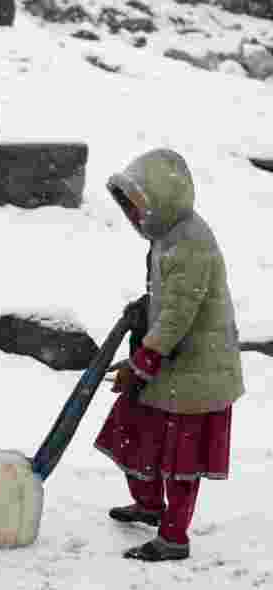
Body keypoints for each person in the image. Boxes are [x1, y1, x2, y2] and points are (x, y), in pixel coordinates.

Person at [95, 148, 245, 562]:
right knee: (132, 429)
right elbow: (169, 300)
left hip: (198, 370)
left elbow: (180, 315)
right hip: (171, 361)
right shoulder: (168, 238)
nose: (133, 217)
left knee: (181, 459)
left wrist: (142, 362)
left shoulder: (191, 243)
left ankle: (174, 538)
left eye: (139, 206)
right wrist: (145, 308)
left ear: (163, 199)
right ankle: (149, 505)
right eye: (128, 209)